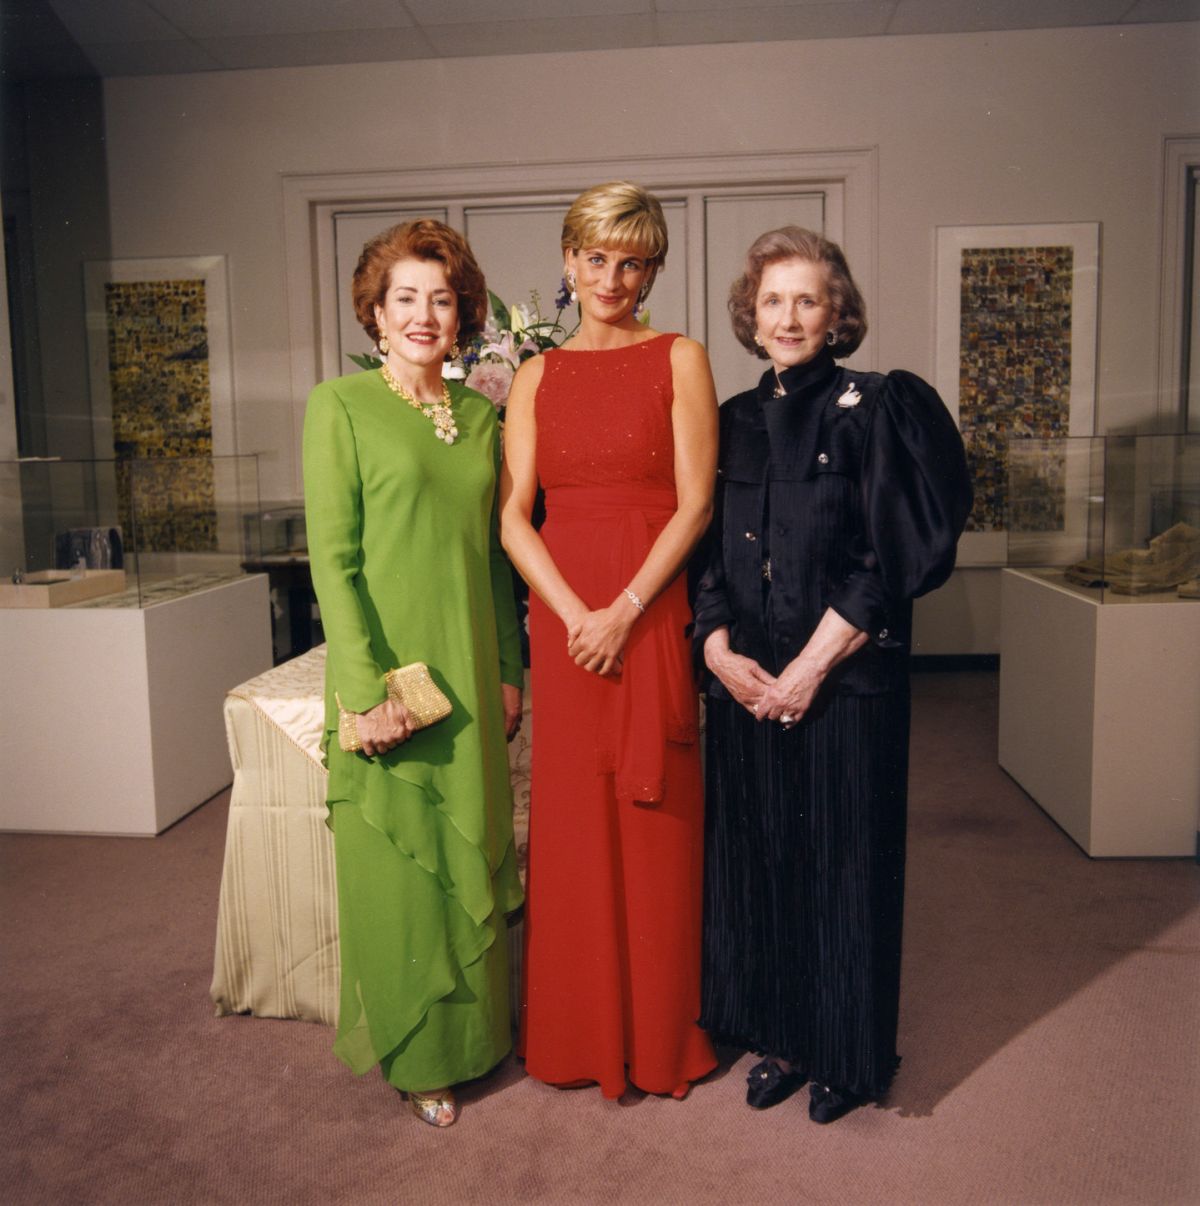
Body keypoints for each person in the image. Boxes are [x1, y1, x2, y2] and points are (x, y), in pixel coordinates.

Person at [693, 227, 971, 1123]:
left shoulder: (878, 405)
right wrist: (717, 650)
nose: (788, 316)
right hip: (748, 688)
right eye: (772, 300)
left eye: (807, 299)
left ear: (837, 312)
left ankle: (849, 1060)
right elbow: (708, 560)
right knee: (764, 864)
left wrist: (808, 671)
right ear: (751, 312)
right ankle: (781, 1036)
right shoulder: (731, 419)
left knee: (845, 872)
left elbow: (886, 562)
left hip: (844, 687)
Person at [500, 181, 719, 1099]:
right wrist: (571, 614)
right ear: (568, 261)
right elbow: (515, 517)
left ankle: (659, 1038)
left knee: (653, 808)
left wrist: (624, 609)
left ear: (654, 268)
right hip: (565, 619)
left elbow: (697, 502)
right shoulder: (536, 375)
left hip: (648, 603)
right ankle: (578, 1037)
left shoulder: (681, 358)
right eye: (597, 258)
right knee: (571, 820)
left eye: (633, 261)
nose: (613, 277)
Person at [303, 219, 524, 1128]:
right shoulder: (339, 407)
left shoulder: (483, 418)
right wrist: (364, 692)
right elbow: (333, 562)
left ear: (463, 311)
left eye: (442, 298)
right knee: (401, 872)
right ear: (376, 312)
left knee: (471, 850)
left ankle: (480, 1039)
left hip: (469, 675)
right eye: (406, 298)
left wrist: (511, 668)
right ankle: (419, 1054)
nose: (425, 315)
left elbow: (498, 559)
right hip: (387, 681)